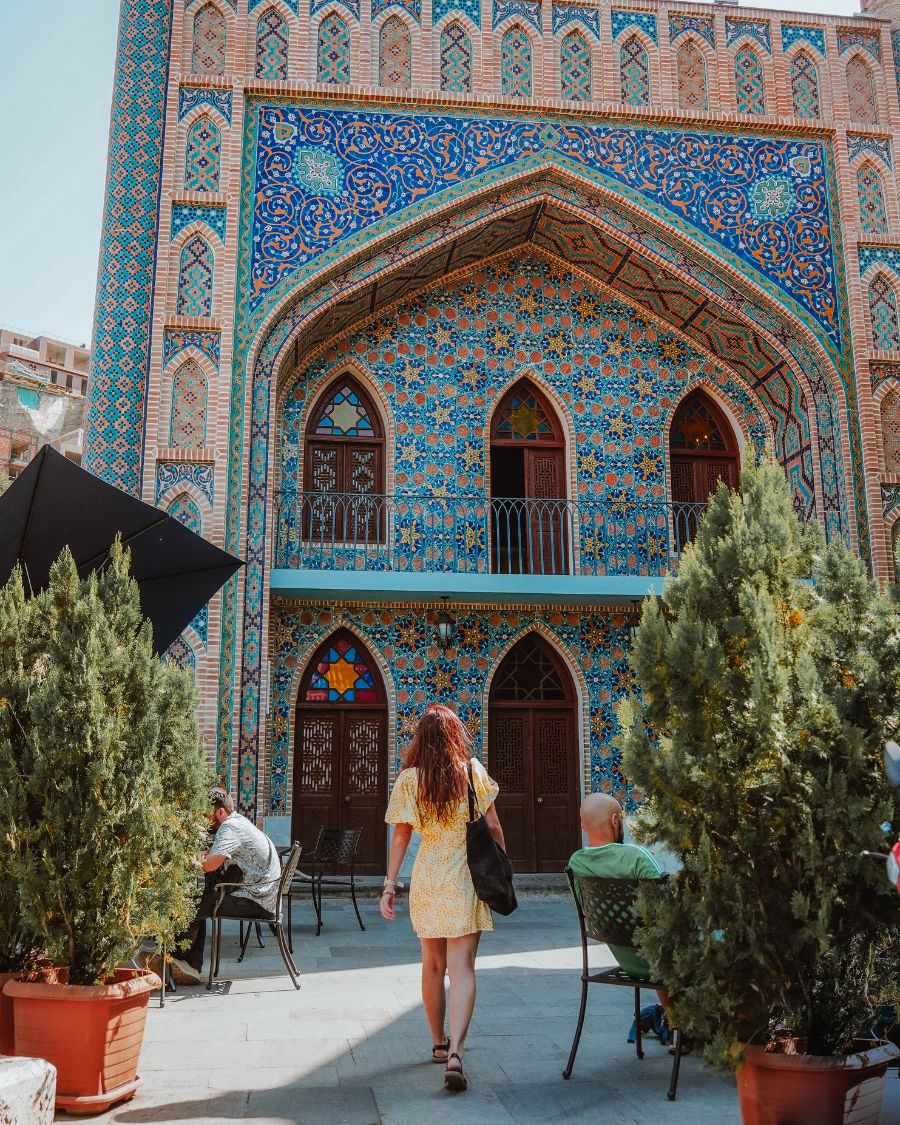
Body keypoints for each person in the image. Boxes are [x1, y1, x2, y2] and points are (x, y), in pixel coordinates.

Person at [381, 704, 505, 1093]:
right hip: (467, 877)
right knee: (463, 967)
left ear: (420, 739)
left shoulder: (408, 781)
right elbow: (495, 827)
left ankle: (437, 1043)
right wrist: (499, 863)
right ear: (455, 737)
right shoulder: (473, 773)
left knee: (432, 965)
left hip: (429, 878)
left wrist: (389, 885)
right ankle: (457, 1052)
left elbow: (401, 836)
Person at [170, 787, 282, 983]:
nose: (205, 821)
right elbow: (211, 853)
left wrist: (182, 862)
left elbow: (209, 864)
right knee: (204, 902)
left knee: (194, 906)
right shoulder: (239, 823)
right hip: (265, 898)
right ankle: (189, 966)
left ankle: (175, 960)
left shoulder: (229, 828)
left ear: (220, 812)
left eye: (207, 815)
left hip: (256, 901)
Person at [567, 792, 661, 978]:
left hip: (628, 961)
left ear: (582, 825)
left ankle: (668, 1008)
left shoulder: (576, 863)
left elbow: (587, 910)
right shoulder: (636, 858)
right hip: (663, 959)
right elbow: (665, 908)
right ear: (615, 821)